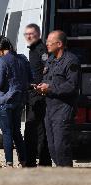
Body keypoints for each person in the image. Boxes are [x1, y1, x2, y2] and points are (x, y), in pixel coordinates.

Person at [36, 30, 80, 167]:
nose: (47, 44)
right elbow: (47, 80)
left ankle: (67, 179)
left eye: (50, 42)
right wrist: (41, 87)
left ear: (59, 44)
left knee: (61, 146)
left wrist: (49, 88)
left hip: (63, 109)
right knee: (52, 147)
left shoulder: (71, 61)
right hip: (50, 109)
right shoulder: (50, 60)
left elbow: (72, 86)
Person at [0, 36, 32, 167]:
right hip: (20, 100)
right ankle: (23, 160)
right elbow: (30, 79)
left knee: (7, 132)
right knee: (17, 131)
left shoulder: (2, 61)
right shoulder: (22, 59)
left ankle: (9, 162)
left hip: (4, 101)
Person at [23, 23, 52, 167]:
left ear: (38, 34)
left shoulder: (40, 49)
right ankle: (43, 160)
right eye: (26, 34)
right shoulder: (33, 49)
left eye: (31, 33)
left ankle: (31, 161)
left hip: (39, 94)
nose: (28, 36)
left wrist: (42, 84)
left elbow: (49, 67)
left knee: (31, 128)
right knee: (40, 128)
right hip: (35, 94)